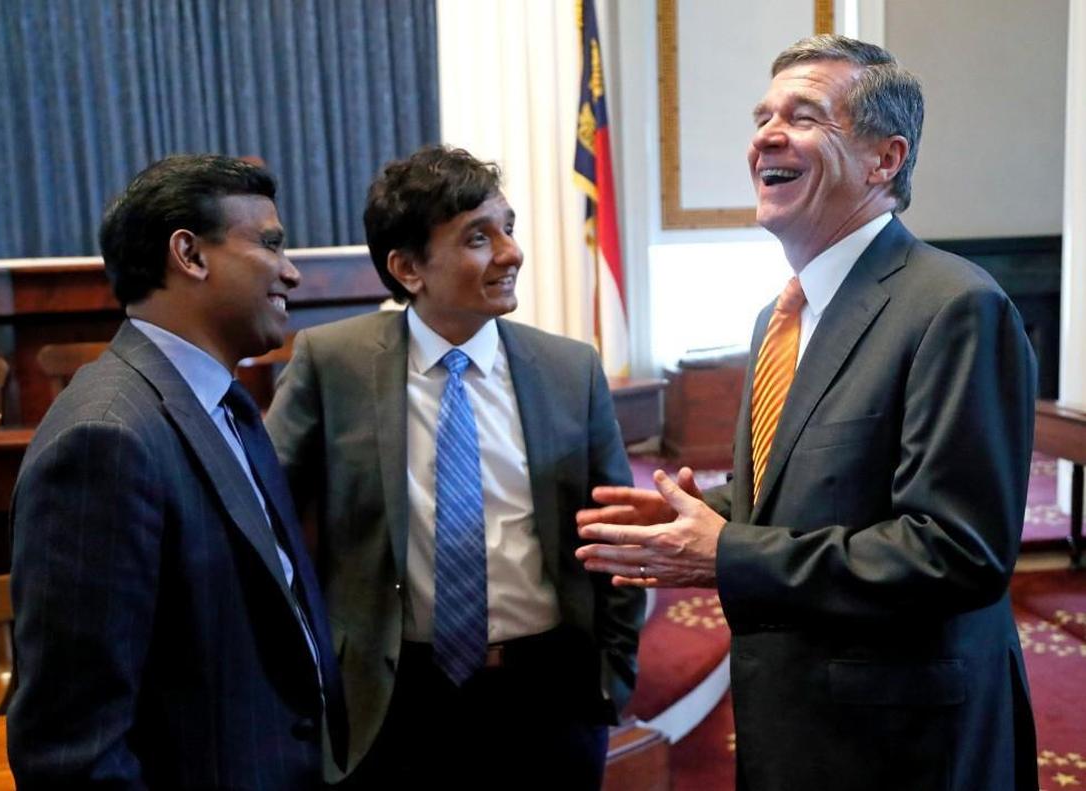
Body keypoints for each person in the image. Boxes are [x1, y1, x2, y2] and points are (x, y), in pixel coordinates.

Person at [576, 35, 1038, 791]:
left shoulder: (956, 307)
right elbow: (818, 490)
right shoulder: (778, 317)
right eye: (762, 116)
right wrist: (698, 513)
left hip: (904, 742)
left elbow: (957, 553)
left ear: (884, 160)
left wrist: (724, 553)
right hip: (795, 718)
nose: (765, 134)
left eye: (804, 115)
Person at [264, 144, 644, 788]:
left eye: (509, 228)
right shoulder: (333, 364)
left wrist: (612, 674)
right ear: (408, 267)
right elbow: (262, 519)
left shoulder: (569, 369)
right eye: (477, 237)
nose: (511, 253)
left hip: (548, 696)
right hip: (390, 699)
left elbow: (615, 534)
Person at [8, 154, 347, 789]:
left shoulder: (226, 403)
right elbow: (74, 751)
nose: (292, 272)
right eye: (270, 245)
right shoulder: (104, 437)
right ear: (189, 255)